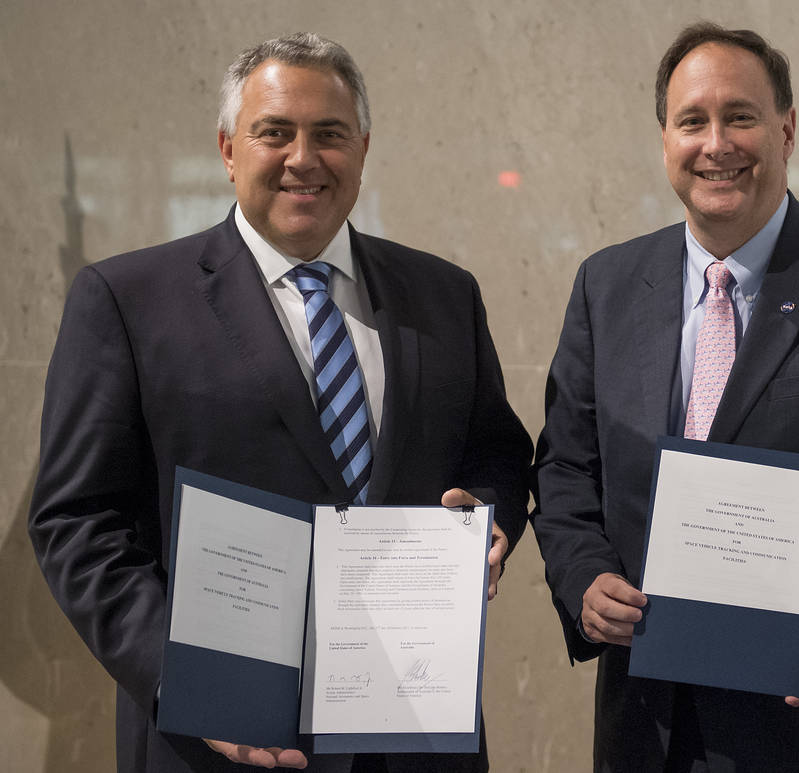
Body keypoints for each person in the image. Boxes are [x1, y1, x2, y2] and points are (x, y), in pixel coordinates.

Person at [29, 32, 532, 773]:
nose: (303, 157)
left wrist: (484, 517)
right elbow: (77, 521)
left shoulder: (444, 294)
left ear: (361, 148)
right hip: (217, 741)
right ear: (230, 150)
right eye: (275, 133)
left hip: (413, 731)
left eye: (329, 134)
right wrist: (189, 680)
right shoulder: (127, 300)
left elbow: (494, 452)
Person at [532, 21, 799, 772]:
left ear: (786, 129)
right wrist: (584, 579)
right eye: (691, 120)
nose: (716, 143)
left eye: (739, 116)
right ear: (664, 137)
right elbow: (567, 468)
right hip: (645, 725)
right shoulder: (605, 284)